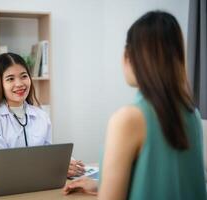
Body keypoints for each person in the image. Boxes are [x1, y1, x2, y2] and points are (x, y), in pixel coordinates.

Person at [64, 11, 207, 200]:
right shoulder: (192, 114)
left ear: (129, 55)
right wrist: (101, 184)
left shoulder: (128, 119)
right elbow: (166, 181)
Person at [0, 52, 85, 177]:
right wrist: (53, 167)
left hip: (37, 184)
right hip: (0, 190)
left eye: (24, 76)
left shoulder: (41, 116)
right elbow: (1, 166)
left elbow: (48, 153)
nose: (20, 84)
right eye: (10, 79)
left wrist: (66, 163)